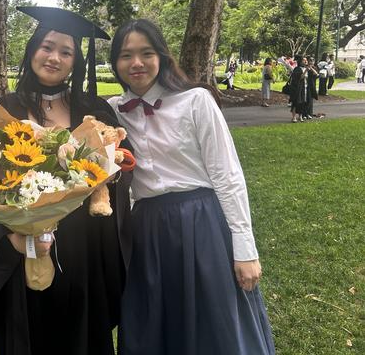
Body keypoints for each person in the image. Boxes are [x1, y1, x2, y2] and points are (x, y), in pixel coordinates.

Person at [0, 6, 132, 355]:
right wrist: (12, 235)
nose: (54, 57)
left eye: (66, 52)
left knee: (81, 337)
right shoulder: (6, 109)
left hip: (85, 247)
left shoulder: (95, 109)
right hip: (24, 247)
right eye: (47, 46)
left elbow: (118, 173)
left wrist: (107, 174)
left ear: (76, 62)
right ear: (32, 50)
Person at [107, 19, 275, 355]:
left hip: (201, 224)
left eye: (146, 53)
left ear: (162, 57)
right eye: (126, 55)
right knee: (153, 325)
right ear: (115, 62)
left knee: (215, 325)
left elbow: (228, 175)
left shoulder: (196, 101)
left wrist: (245, 249)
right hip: (146, 231)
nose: (136, 63)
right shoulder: (112, 111)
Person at [288, 55, 307, 123]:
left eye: (306, 60)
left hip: (303, 88)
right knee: (296, 102)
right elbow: (301, 77)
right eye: (303, 60)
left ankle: (300, 116)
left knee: (302, 102)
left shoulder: (305, 68)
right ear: (300, 61)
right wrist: (306, 70)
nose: (305, 61)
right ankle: (294, 117)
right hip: (297, 88)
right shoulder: (297, 69)